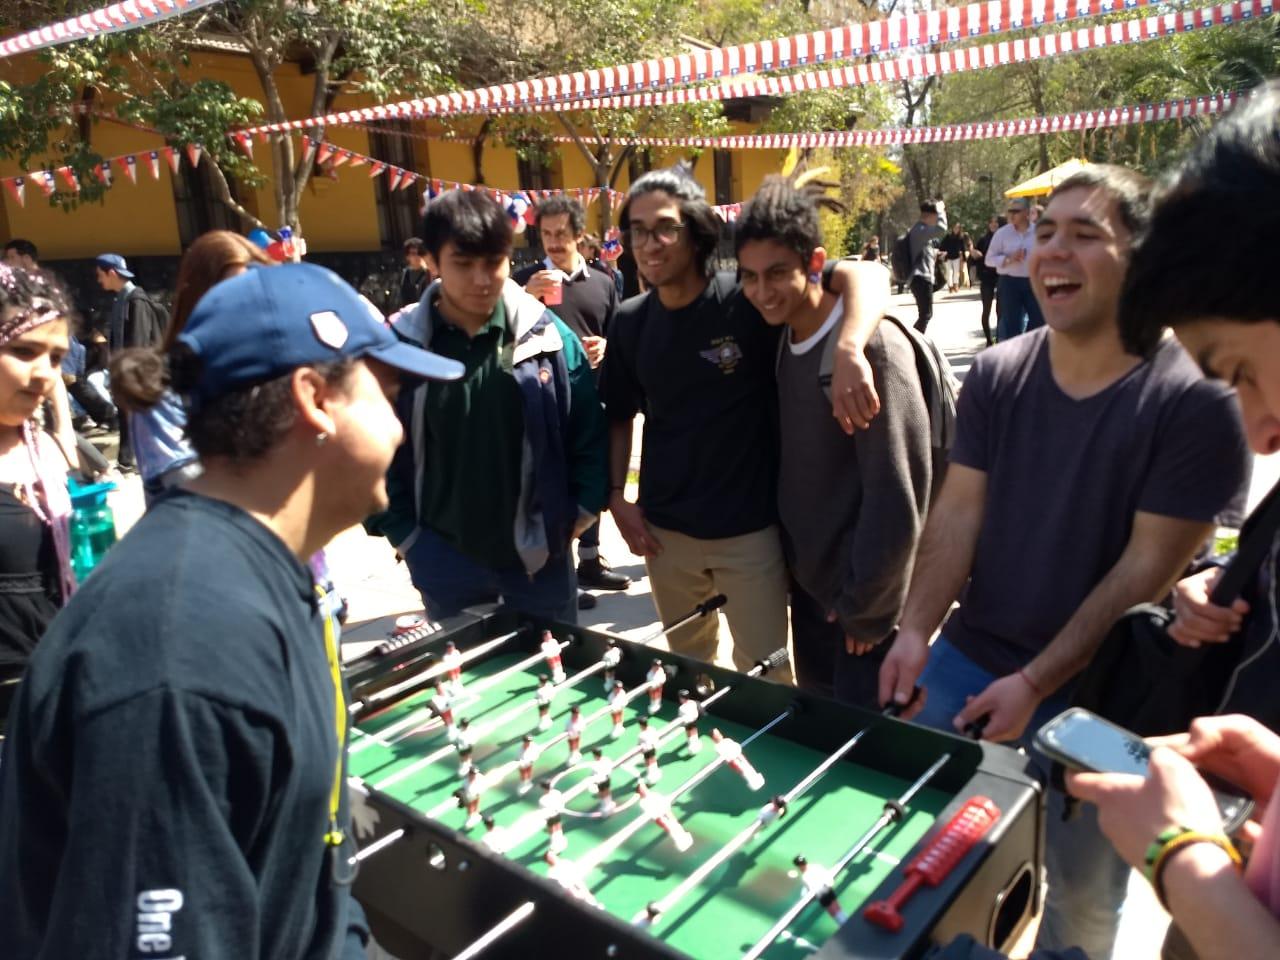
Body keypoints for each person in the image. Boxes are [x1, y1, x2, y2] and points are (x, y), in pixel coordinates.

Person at [0, 261, 462, 956]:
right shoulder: (182, 653)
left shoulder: (260, 577)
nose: (399, 425)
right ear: (315, 399)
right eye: (387, 389)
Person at [876, 165, 1249, 959]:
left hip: (1107, 700)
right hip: (968, 658)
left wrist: (1038, 683)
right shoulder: (1001, 372)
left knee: (1081, 902)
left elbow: (1150, 566)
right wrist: (914, 631)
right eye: (1045, 231)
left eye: (1087, 234)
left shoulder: (1199, 397)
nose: (1054, 250)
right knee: (919, 863)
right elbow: (958, 512)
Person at [601, 167, 888, 673]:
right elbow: (618, 414)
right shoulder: (629, 320)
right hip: (665, 536)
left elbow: (865, 275)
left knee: (769, 675)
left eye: (664, 227)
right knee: (688, 673)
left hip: (751, 533)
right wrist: (616, 499)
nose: (649, 243)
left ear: (696, 231)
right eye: (637, 230)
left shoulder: (750, 296)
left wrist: (849, 346)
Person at [367, 189, 608, 624]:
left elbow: (587, 429)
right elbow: (370, 452)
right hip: (446, 566)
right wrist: (407, 538)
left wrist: (581, 511)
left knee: (557, 681)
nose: (482, 279)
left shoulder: (547, 336)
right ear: (433, 262)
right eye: (463, 263)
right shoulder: (400, 345)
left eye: (493, 262)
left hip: (544, 566)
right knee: (471, 688)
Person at [735, 176, 931, 707]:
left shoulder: (874, 352)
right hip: (814, 595)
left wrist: (866, 610)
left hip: (860, 613)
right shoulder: (782, 335)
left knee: (865, 765)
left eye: (777, 273)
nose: (761, 291)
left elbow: (898, 494)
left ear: (815, 263)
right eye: (749, 277)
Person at [514, 196, 631, 603]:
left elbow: (621, 335)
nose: (553, 242)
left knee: (589, 477)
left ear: (580, 235)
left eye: (562, 233)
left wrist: (606, 346)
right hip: (540, 403)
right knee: (547, 480)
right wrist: (524, 293)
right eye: (546, 234)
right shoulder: (523, 280)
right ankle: (557, 567)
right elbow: (502, 333)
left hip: (591, 395)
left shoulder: (603, 282)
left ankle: (590, 561)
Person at [110, 231, 270, 506]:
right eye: (233, 294)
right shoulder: (158, 386)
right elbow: (188, 483)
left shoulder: (274, 369)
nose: (249, 306)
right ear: (199, 297)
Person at [0, 265, 76, 728]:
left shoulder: (42, 450)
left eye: (55, 357)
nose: (44, 373)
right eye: (25, 351)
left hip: (52, 693)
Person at [94, 252, 160, 471]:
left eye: (100, 275)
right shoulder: (122, 298)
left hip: (136, 370)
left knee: (137, 416)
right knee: (127, 414)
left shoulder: (136, 300)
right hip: (127, 369)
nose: (98, 280)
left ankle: (136, 460)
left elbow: (139, 340)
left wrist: (131, 372)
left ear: (111, 273)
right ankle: (128, 460)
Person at [985, 197, 1044, 341]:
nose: (1011, 215)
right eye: (1009, 211)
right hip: (1009, 282)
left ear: (1026, 213)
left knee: (1039, 320)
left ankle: (1030, 350)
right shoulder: (1002, 233)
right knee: (1011, 324)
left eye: (1016, 211)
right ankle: (1014, 358)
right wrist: (1009, 259)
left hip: (1033, 281)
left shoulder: (1038, 232)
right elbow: (989, 260)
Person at [906, 200, 947, 333]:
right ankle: (913, 343)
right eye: (936, 215)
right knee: (925, 315)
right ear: (930, 215)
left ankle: (914, 343)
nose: (936, 219)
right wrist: (941, 210)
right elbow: (942, 229)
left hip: (921, 278)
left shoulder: (919, 230)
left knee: (925, 314)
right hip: (921, 278)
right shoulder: (920, 229)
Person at [972, 216, 1003, 347]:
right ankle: (989, 340)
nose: (994, 225)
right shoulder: (983, 240)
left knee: (1000, 311)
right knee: (986, 310)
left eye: (996, 222)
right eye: (991, 222)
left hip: (1001, 276)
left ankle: (1000, 338)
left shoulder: (1004, 239)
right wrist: (974, 255)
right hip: (986, 277)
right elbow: (975, 258)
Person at [393, 237, 432, 313]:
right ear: (407, 256)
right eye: (414, 253)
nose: (418, 256)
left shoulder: (430, 274)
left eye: (420, 253)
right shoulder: (403, 275)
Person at [940, 222, 970, 294]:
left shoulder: (961, 237)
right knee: (949, 272)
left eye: (957, 228)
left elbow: (963, 248)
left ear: (959, 229)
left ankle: (955, 285)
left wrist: (964, 259)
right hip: (948, 257)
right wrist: (943, 252)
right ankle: (950, 286)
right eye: (955, 228)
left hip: (956, 257)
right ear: (952, 229)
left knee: (956, 272)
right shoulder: (948, 236)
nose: (956, 229)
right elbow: (942, 246)